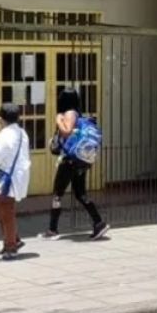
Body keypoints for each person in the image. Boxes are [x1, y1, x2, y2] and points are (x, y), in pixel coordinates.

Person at [43, 88, 109, 241]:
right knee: (80, 194)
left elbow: (66, 131)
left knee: (57, 195)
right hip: (78, 159)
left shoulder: (69, 113)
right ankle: (99, 222)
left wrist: (58, 120)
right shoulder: (76, 114)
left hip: (69, 160)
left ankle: (52, 229)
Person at [0, 102, 31, 259]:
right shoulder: (22, 133)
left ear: (1, 119)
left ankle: (11, 245)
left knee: (6, 212)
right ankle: (12, 240)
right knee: (5, 210)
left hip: (6, 178)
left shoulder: (5, 135)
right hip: (17, 176)